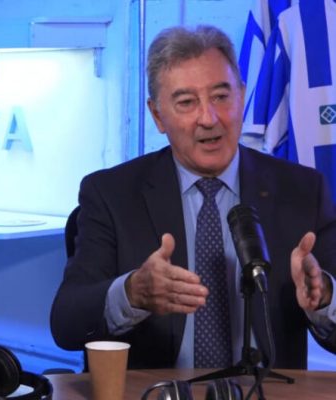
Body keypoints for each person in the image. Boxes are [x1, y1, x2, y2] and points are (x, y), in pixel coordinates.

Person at [50, 25, 336, 370]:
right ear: (158, 115)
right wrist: (132, 293)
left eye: (221, 96)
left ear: (242, 96)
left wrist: (325, 296)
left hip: (265, 391)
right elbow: (67, 324)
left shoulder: (302, 190)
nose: (209, 118)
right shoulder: (111, 194)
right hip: (158, 391)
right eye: (186, 102)